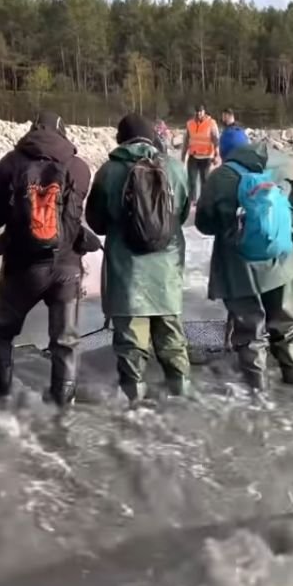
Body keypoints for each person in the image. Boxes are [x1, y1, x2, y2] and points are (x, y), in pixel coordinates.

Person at [0, 111, 95, 406]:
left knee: (0, 331)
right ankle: (62, 406)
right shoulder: (79, 167)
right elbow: (74, 215)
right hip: (67, 267)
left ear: (32, 131)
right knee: (65, 340)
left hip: (22, 267)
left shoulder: (11, 162)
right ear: (64, 133)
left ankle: (0, 396)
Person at [196, 128, 293, 390]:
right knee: (287, 330)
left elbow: (203, 224)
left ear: (225, 152)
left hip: (240, 268)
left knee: (250, 334)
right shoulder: (277, 165)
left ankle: (258, 397)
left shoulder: (220, 177)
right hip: (282, 261)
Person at [86, 115, 192, 402]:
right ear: (152, 137)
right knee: (172, 338)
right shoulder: (174, 168)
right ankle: (182, 398)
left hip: (127, 268)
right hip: (167, 265)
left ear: (121, 138)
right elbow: (181, 214)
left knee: (131, 344)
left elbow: (95, 222)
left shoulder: (109, 171)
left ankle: (134, 409)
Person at [180, 104, 219, 204]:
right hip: (193, 155)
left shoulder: (211, 123)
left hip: (206, 157)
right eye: (197, 111)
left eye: (201, 111)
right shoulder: (190, 124)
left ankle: (203, 201)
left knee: (204, 181)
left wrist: (216, 154)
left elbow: (215, 139)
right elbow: (186, 141)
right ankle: (192, 201)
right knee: (192, 180)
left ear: (204, 112)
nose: (199, 114)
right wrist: (183, 155)